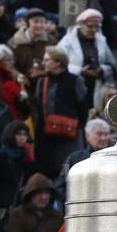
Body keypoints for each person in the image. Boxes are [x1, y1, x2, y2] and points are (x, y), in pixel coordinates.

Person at [31, 45, 87, 177]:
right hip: (47, 139)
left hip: (70, 137)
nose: (43, 63)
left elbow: (83, 108)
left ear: (58, 63)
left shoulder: (75, 80)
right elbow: (38, 110)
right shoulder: (41, 82)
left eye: (47, 60)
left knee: (70, 172)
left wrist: (76, 126)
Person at [57, 9, 117, 111]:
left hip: (95, 87)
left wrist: (101, 70)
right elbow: (58, 63)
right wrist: (80, 71)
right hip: (73, 86)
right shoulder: (67, 41)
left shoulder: (101, 40)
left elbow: (111, 64)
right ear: (81, 24)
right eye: (90, 26)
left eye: (96, 27)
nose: (93, 30)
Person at [54, 117, 114, 198]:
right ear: (88, 135)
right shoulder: (73, 158)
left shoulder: (113, 158)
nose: (103, 138)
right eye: (99, 134)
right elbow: (61, 186)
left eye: (106, 134)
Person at [0, 120, 36, 209]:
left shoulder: (27, 154)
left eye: (24, 135)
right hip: (3, 203)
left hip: (22, 203)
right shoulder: (0, 156)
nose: (22, 138)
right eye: (18, 134)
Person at [9, 8, 54, 83]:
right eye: (35, 22)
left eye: (42, 22)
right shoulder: (14, 42)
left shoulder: (51, 41)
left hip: (45, 82)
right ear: (28, 23)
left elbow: (56, 63)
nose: (39, 25)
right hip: (22, 83)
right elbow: (10, 65)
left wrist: (43, 72)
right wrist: (17, 75)